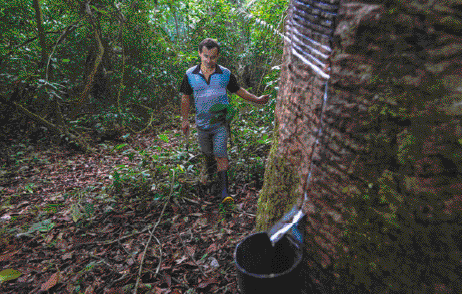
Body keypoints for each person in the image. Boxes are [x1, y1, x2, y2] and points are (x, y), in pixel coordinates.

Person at [179, 38, 270, 204]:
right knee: (207, 153)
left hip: (220, 123)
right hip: (201, 124)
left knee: (221, 154)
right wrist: (185, 120)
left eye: (213, 57)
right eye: (205, 56)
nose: (209, 60)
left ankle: (224, 193)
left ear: (218, 56)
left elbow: (238, 90)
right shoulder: (190, 74)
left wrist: (256, 99)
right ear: (199, 54)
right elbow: (185, 97)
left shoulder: (225, 73)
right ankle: (209, 174)